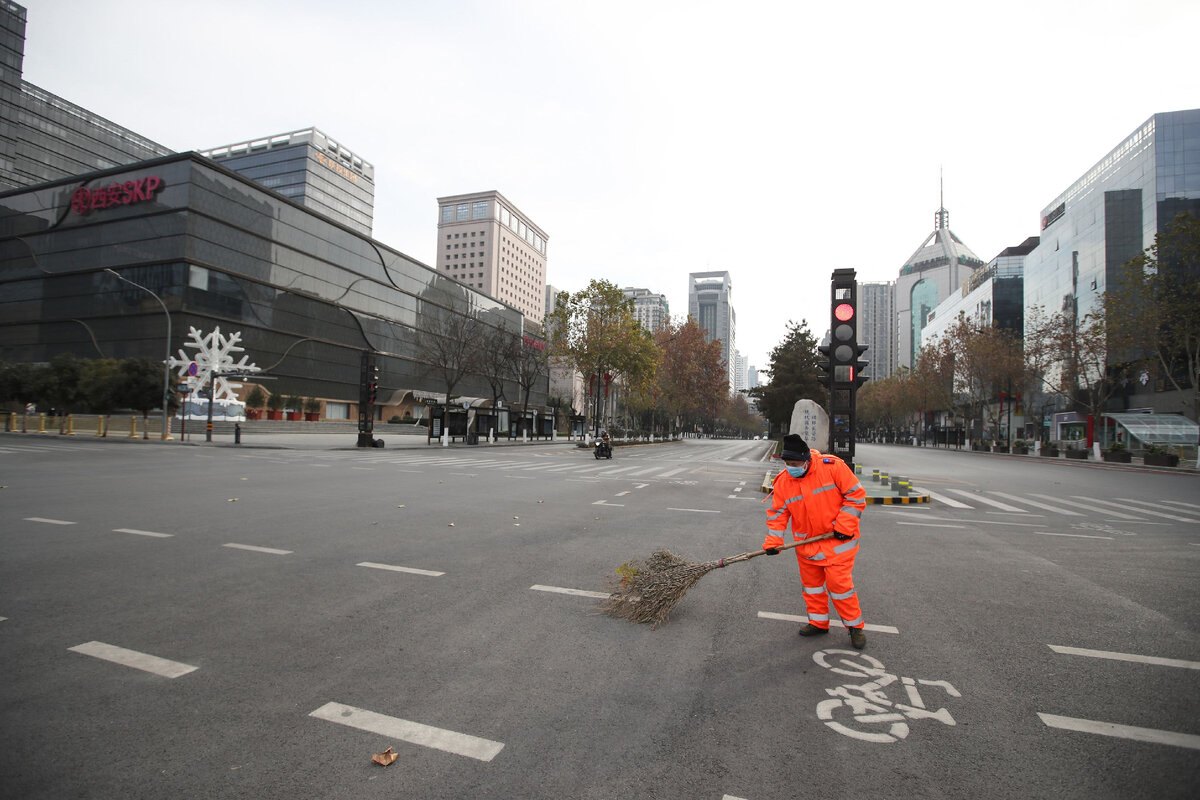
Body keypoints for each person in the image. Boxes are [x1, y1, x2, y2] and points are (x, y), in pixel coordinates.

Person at [762, 433, 869, 649]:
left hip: (838, 543)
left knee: (840, 587)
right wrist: (773, 542)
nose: (791, 467)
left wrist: (844, 526)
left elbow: (856, 496)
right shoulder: (784, 482)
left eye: (795, 463)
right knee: (812, 588)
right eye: (788, 463)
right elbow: (778, 514)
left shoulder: (832, 467)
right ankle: (818, 623)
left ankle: (855, 627)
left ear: (807, 458)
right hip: (806, 546)